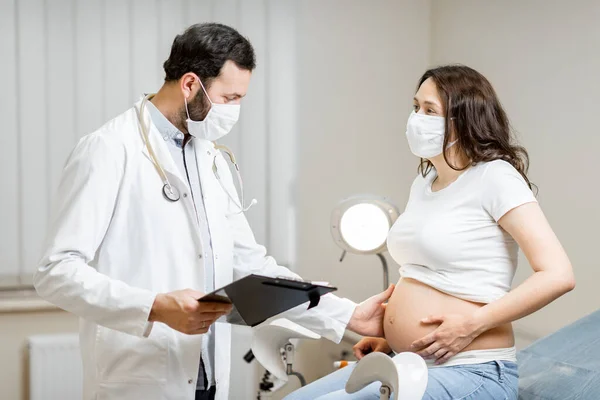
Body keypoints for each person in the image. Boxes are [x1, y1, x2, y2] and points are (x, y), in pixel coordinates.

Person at [33, 23, 394, 400]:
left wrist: (349, 316)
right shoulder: (109, 149)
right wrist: (154, 307)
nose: (235, 110)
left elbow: (250, 266)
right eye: (229, 97)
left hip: (208, 376)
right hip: (140, 377)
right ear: (190, 84)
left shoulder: (211, 157)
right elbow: (55, 271)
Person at [284, 65, 576, 400]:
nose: (416, 118)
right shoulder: (424, 182)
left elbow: (558, 275)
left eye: (429, 110)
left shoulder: (495, 177)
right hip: (407, 361)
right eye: (415, 107)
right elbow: (427, 272)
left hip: (473, 369)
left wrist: (471, 325)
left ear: (463, 119)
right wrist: (392, 337)